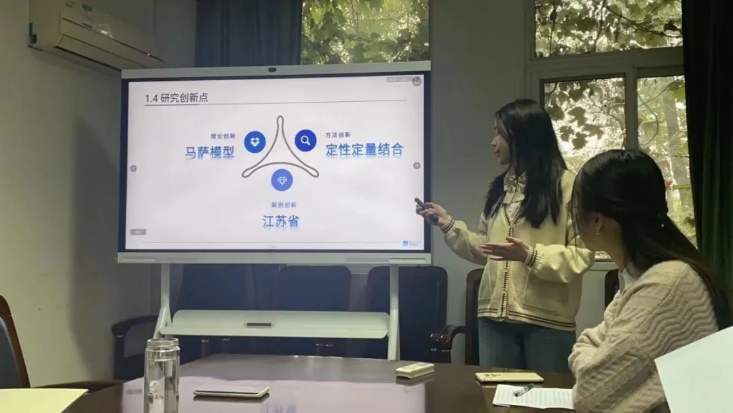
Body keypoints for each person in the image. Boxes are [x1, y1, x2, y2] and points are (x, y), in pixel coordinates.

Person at [418, 99, 594, 372]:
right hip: (493, 320)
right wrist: (447, 224)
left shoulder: (568, 186)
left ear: (523, 136)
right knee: (497, 395)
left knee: (548, 394)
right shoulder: (500, 189)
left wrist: (530, 256)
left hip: (547, 322)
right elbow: (487, 250)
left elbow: (581, 256)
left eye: (499, 133)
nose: (493, 142)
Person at [568, 149, 733, 412]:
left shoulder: (665, 286)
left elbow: (590, 395)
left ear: (596, 219)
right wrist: (593, 362)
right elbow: (587, 342)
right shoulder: (642, 276)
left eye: (574, 208)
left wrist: (592, 365)